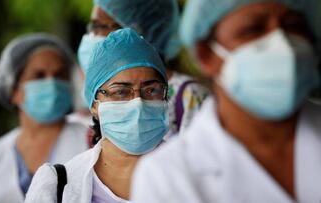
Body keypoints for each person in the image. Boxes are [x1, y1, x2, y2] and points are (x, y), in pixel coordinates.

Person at [132, 0, 321, 202]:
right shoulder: (167, 177)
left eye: (294, 26)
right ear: (206, 54)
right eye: (253, 29)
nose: (282, 43)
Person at [24, 28, 169, 203]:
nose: (138, 103)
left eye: (151, 90)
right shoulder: (58, 186)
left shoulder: (195, 174)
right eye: (121, 92)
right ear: (94, 104)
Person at [0, 33, 89, 202]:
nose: (52, 83)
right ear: (13, 90)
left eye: (60, 75)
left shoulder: (92, 142)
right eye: (39, 75)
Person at [77, 0, 207, 139]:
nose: (94, 35)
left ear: (140, 30)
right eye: (93, 27)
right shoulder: (103, 95)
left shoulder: (189, 95)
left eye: (102, 26)